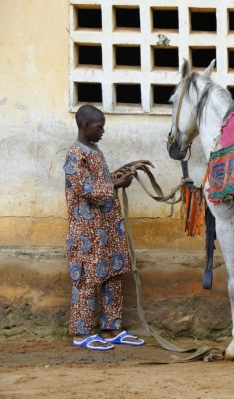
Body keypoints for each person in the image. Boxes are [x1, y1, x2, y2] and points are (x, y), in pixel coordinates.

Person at [63, 104, 153, 350]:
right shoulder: (75, 153)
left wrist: (129, 168)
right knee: (87, 280)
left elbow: (101, 180)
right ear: (86, 126)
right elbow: (84, 187)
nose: (103, 131)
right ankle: (81, 334)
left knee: (112, 275)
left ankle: (111, 329)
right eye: (99, 126)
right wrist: (117, 185)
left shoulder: (94, 149)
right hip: (86, 232)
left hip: (108, 229)